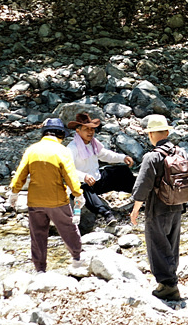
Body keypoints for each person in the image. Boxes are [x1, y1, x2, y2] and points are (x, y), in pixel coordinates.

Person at [130, 114, 188, 302]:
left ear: (151, 135)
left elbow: (143, 185)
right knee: (171, 244)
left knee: (157, 245)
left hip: (157, 208)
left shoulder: (152, 157)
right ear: (167, 132)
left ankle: (168, 285)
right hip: (178, 207)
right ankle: (170, 281)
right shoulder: (181, 153)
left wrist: (136, 208)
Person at [8, 118, 86, 275]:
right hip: (57, 201)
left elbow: (21, 174)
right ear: (60, 134)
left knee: (37, 236)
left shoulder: (31, 150)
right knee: (68, 229)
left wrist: (14, 193)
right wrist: (78, 194)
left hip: (35, 202)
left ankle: (40, 270)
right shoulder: (62, 151)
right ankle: (78, 260)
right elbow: (70, 176)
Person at [66, 112, 135, 225]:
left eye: (92, 129)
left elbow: (106, 155)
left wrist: (123, 158)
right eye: (86, 129)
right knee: (83, 190)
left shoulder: (93, 143)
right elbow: (67, 169)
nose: (90, 132)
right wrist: (84, 176)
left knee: (121, 171)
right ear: (78, 131)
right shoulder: (71, 148)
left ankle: (140, 194)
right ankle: (107, 214)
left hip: (97, 179)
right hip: (83, 183)